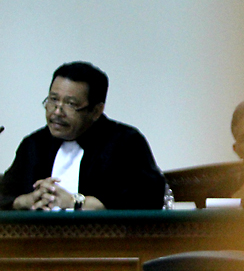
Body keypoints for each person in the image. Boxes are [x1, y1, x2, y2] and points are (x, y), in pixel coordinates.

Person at [0, 61, 165, 210]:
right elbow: (4, 194)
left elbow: (149, 199)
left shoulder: (125, 143)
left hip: (103, 242)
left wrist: (76, 202)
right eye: (53, 100)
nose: (57, 111)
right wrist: (25, 201)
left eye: (70, 104)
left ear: (96, 111)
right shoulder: (34, 144)